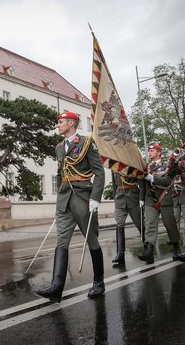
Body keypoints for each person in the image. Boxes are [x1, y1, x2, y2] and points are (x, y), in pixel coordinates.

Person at [35, 111, 105, 302]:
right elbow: (60, 173)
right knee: (61, 241)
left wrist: (96, 198)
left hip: (83, 196)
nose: (58, 125)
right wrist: (60, 193)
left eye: (61, 121)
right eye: (58, 122)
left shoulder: (86, 143)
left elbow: (99, 172)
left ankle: (99, 282)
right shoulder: (59, 147)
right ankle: (56, 287)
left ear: (72, 123)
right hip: (65, 198)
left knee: (91, 239)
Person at [138, 143, 181, 264]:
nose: (150, 152)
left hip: (164, 198)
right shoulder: (146, 166)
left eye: (152, 150)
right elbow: (142, 184)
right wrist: (141, 198)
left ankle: (176, 248)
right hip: (150, 198)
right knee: (150, 223)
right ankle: (148, 252)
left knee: (169, 224)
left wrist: (152, 178)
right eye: (149, 150)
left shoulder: (167, 165)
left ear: (159, 152)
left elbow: (168, 180)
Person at [110, 166, 142, 266]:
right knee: (119, 224)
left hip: (133, 197)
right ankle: (120, 254)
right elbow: (114, 183)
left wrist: (141, 198)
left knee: (140, 223)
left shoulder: (131, 162)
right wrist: (115, 196)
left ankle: (148, 248)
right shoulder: (113, 165)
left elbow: (140, 180)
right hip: (120, 197)